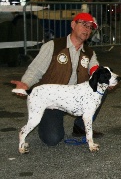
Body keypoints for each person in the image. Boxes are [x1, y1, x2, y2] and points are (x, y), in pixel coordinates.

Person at [11, 13, 108, 147]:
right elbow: (35, 70)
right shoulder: (53, 46)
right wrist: (25, 83)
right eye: (84, 25)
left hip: (75, 99)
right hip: (51, 98)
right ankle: (45, 119)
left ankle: (80, 126)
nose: (87, 29)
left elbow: (95, 70)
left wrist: (105, 80)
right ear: (73, 25)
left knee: (102, 86)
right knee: (52, 139)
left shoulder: (90, 52)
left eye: (90, 27)